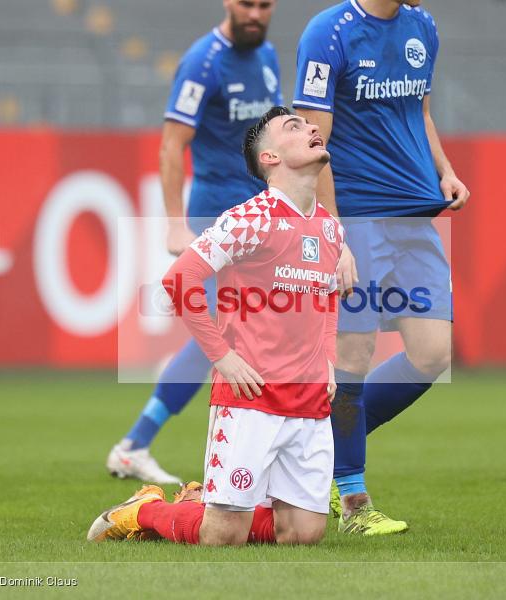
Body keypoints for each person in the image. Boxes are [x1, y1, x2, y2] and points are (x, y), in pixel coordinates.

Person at [88, 107, 343, 546]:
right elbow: (179, 280)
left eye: (309, 124)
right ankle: (144, 511)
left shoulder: (330, 228)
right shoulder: (248, 219)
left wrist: (329, 361)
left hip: (308, 399)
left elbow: (327, 296)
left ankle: (205, 500)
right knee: (221, 537)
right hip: (250, 398)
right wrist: (221, 357)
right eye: (294, 127)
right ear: (270, 159)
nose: (312, 128)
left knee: (303, 536)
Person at [292, 0, 471, 535]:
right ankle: (352, 502)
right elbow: (312, 142)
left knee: (432, 354)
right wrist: (332, 231)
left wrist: (444, 169)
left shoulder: (423, 26)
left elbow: (420, 110)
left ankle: (314, 450)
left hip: (416, 215)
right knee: (354, 351)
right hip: (359, 216)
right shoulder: (329, 33)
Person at [106, 0, 282, 483]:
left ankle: (142, 444)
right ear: (228, 2)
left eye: (265, 5)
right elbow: (171, 144)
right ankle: (136, 443)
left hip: (261, 214)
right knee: (222, 334)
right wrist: (174, 223)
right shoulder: (203, 62)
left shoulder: (266, 56)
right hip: (216, 213)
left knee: (256, 330)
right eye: (248, 4)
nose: (256, 14)